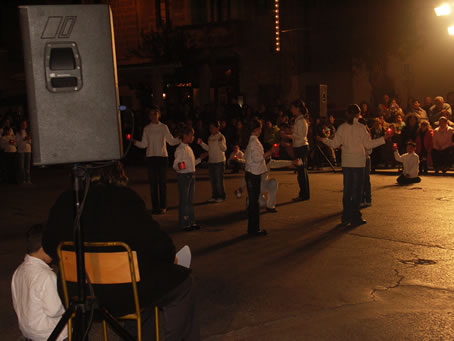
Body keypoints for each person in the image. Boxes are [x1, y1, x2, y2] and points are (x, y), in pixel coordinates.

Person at [42, 162, 200, 341]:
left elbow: (49, 245)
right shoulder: (125, 199)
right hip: (125, 296)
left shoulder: (67, 200)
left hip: (78, 295)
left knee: (145, 284)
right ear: (115, 171)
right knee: (184, 284)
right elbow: (162, 247)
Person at [319, 104, 390, 227]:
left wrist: (323, 139)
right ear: (358, 114)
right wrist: (384, 138)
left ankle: (345, 216)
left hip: (347, 162)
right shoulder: (361, 128)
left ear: (347, 114)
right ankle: (355, 216)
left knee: (347, 190)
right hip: (358, 162)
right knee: (357, 191)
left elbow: (335, 144)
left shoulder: (342, 128)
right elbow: (368, 145)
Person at [11, 224, 68, 341]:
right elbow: (54, 311)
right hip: (49, 333)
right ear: (43, 248)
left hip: (28, 330)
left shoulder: (19, 271)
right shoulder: (46, 275)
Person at [134, 106, 180, 214]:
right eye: (151, 114)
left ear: (159, 115)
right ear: (149, 116)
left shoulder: (163, 127)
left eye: (155, 114)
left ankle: (163, 206)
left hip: (162, 157)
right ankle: (155, 207)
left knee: (162, 183)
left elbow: (171, 141)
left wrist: (181, 138)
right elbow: (144, 144)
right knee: (153, 184)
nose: (153, 116)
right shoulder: (146, 128)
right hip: (151, 158)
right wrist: (135, 142)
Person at [244, 119, 278, 236]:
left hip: (251, 172)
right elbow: (258, 158)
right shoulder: (254, 143)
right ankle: (254, 229)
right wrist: (270, 152)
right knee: (254, 203)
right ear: (257, 129)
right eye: (260, 128)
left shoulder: (252, 141)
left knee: (254, 202)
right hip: (253, 173)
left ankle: (252, 228)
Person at [174, 125, 207, 231]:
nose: (193, 137)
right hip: (184, 176)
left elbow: (191, 164)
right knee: (185, 201)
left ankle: (191, 221)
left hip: (190, 175)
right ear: (185, 136)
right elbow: (175, 165)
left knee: (189, 200)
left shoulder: (188, 148)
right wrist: (181, 166)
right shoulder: (180, 149)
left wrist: (199, 159)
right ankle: (184, 223)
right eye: (191, 135)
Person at [198, 120, 227, 203]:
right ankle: (215, 196)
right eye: (210, 128)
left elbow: (224, 149)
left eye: (212, 128)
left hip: (219, 161)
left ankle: (221, 196)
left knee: (219, 180)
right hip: (211, 161)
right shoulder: (210, 137)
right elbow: (208, 148)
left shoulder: (221, 137)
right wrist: (201, 143)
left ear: (217, 128)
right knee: (213, 180)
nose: (210, 130)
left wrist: (220, 142)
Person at [289, 99, 310, 201]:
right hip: (299, 147)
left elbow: (300, 136)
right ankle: (304, 193)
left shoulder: (301, 121)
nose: (291, 110)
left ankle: (304, 194)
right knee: (301, 172)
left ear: (297, 109)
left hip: (301, 147)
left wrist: (289, 136)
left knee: (302, 172)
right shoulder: (298, 120)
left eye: (293, 108)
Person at [16, 119, 32, 185]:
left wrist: (28, 140)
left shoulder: (27, 132)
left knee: (27, 167)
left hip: (28, 150)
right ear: (20, 125)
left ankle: (28, 180)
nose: (24, 125)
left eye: (25, 124)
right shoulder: (18, 133)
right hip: (21, 151)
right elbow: (17, 143)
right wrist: (24, 139)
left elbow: (30, 142)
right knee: (22, 167)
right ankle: (23, 180)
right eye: (23, 124)